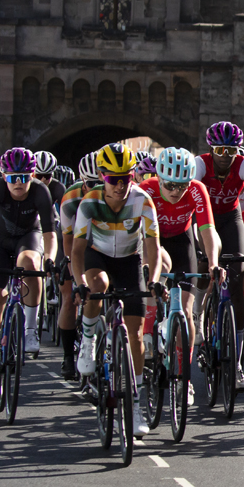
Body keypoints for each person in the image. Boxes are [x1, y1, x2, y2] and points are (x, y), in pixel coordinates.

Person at [72, 143, 161, 436]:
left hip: (129, 260)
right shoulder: (89, 202)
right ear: (102, 176)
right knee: (98, 285)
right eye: (113, 179)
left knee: (135, 334)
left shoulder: (143, 201)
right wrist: (79, 283)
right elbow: (76, 251)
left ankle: (135, 406)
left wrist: (154, 280)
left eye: (127, 178)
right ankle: (87, 340)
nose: (121, 186)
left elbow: (152, 248)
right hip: (97, 256)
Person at [140, 147, 220, 403]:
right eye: (171, 185)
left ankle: (185, 380)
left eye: (182, 185)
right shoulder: (147, 189)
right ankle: (149, 330)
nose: (176, 191)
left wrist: (213, 264)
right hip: (152, 240)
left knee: (185, 312)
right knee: (158, 266)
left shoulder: (197, 190)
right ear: (160, 178)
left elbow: (207, 230)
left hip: (181, 239)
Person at [0, 148, 58, 388]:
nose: (18, 183)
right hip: (0, 241)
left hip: (28, 238)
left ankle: (31, 328)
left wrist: (50, 259)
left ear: (32, 175)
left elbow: (49, 233)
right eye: (13, 177)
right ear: (4, 176)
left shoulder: (40, 191)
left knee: (31, 263)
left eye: (24, 177)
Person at [194, 122, 244, 391]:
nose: (225, 155)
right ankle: (198, 315)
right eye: (220, 149)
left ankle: (235, 363)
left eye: (231, 150)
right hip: (204, 217)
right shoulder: (200, 165)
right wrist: (196, 243)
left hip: (231, 217)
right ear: (212, 149)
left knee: (238, 281)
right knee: (203, 264)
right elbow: (190, 206)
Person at [55, 151, 100, 380]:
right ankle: (68, 358)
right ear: (83, 181)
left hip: (104, 244)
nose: (96, 187)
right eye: (91, 183)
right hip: (75, 243)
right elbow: (68, 238)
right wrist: (72, 269)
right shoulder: (71, 197)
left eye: (100, 182)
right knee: (68, 296)